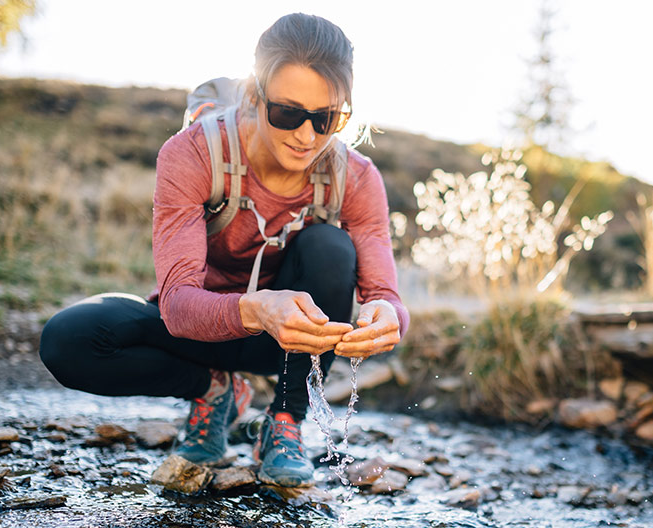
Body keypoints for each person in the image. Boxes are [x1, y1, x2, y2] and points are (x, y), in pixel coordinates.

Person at [39, 13, 409, 488]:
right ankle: (214, 390)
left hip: (285, 343)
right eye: (288, 114)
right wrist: (257, 308)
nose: (307, 136)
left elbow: (387, 296)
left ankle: (284, 422)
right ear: (254, 97)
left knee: (330, 247)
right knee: (68, 340)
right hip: (198, 328)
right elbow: (176, 306)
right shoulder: (192, 153)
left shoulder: (356, 177)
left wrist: (388, 316)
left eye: (327, 119)